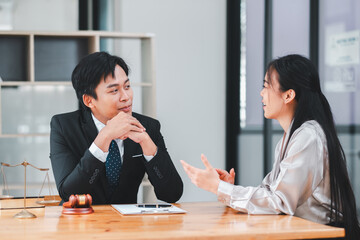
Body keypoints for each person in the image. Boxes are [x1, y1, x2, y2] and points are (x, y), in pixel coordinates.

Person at [181, 54, 360, 239]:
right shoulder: (290, 137)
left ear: (289, 95)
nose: (261, 93)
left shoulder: (308, 136)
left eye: (266, 86)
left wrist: (219, 188)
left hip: (322, 234)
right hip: (303, 231)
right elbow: (269, 193)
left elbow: (280, 202)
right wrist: (227, 188)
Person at [50, 51, 183, 205]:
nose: (126, 97)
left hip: (126, 225)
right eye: (114, 90)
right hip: (80, 222)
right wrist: (105, 137)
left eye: (127, 86)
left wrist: (147, 144)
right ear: (89, 101)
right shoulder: (64, 127)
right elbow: (69, 193)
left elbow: (172, 194)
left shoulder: (148, 127)